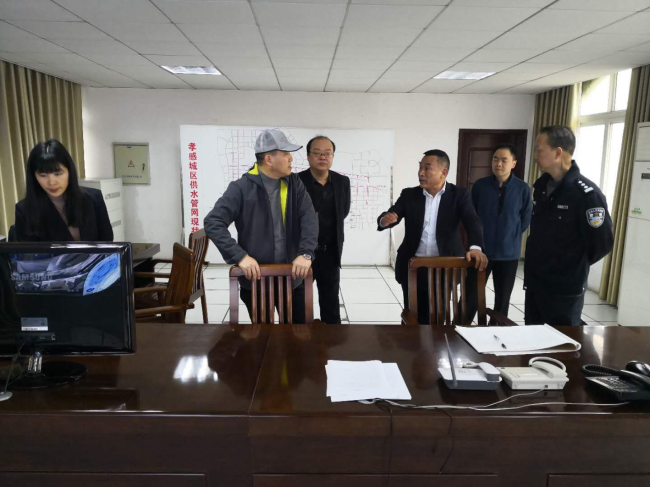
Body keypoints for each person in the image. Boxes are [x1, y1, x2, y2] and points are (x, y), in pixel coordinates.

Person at [204, 129, 318, 323]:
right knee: (263, 336)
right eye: (286, 153)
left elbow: (309, 218)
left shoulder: (294, 183)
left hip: (292, 276)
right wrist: (240, 256)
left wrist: (306, 253)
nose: (291, 159)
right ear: (269, 159)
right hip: (257, 280)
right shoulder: (241, 188)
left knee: (298, 334)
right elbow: (213, 222)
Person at [377, 149, 487, 325]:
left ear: (444, 172)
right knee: (412, 314)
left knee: (437, 316)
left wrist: (475, 247)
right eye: (420, 167)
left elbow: (472, 222)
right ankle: (412, 341)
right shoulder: (409, 194)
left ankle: (435, 342)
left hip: (444, 266)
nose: (421, 173)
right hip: (413, 265)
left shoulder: (459, 195)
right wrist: (385, 220)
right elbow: (393, 213)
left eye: (427, 168)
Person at [525, 125, 614, 326]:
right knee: (532, 336)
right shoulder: (541, 186)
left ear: (558, 152)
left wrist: (570, 264)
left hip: (564, 287)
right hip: (537, 282)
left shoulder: (586, 195)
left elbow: (602, 244)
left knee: (562, 339)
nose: (535, 155)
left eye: (539, 150)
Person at [465, 144, 532, 321]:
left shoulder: (522, 189)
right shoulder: (480, 186)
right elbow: (472, 216)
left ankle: (496, 332)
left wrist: (510, 234)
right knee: (470, 296)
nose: (498, 164)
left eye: (504, 160)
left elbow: (525, 219)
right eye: (495, 159)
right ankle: (460, 328)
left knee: (502, 301)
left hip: (508, 255)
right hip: (481, 252)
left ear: (513, 163)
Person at [14, 139, 113, 242]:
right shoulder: (24, 210)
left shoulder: (94, 198)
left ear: (69, 171)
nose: (52, 182)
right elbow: (28, 251)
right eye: (43, 175)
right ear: (34, 177)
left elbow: (107, 241)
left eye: (58, 174)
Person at [298, 136, 351, 324]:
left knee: (330, 302)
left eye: (327, 153)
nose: (323, 157)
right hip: (301, 253)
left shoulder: (342, 182)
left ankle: (331, 338)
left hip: (330, 252)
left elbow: (343, 212)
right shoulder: (296, 181)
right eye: (317, 153)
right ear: (308, 156)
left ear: (332, 156)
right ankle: (299, 337)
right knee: (298, 302)